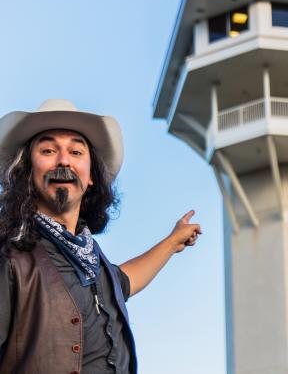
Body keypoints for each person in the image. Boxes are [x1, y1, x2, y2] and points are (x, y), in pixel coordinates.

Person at [0, 99, 202, 374]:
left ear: (91, 175)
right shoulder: (9, 258)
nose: (63, 160)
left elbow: (124, 280)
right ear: (27, 171)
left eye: (76, 152)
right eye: (48, 150)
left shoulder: (93, 260)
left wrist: (172, 242)